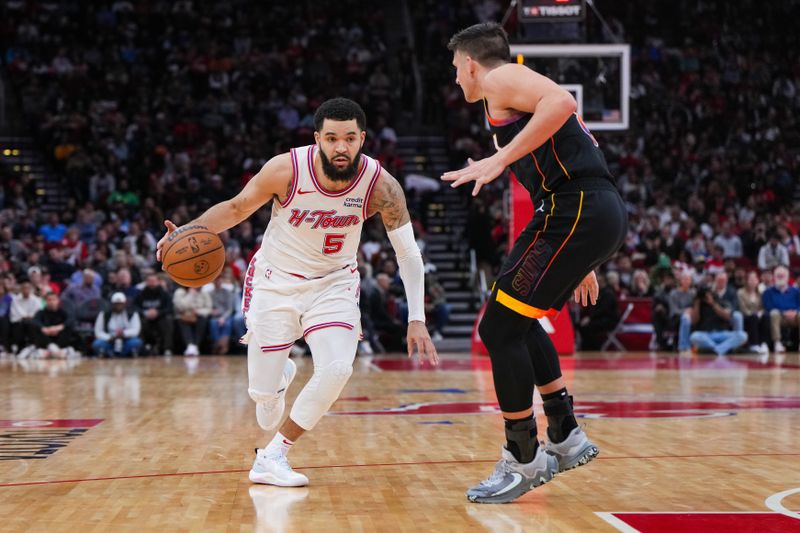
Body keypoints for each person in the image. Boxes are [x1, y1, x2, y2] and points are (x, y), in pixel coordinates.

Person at [156, 98, 437, 488]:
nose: (342, 147)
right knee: (263, 403)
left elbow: (408, 253)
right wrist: (186, 232)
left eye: (350, 138)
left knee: (337, 368)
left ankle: (273, 455)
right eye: (333, 138)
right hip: (275, 281)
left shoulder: (380, 185)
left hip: (334, 282)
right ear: (318, 138)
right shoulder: (285, 169)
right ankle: (276, 384)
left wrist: (416, 318)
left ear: (362, 139)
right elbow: (237, 208)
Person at [442, 23, 627, 503]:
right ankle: (565, 433)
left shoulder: (499, 79)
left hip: (576, 208)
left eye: (456, 69)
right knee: (516, 323)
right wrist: (581, 259)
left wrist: (497, 161)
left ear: (470, 64)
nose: (456, 79)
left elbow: (563, 102)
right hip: (583, 213)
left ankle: (523, 457)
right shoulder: (500, 97)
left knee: (498, 329)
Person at [685, 287, 747, 356]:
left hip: (722, 333)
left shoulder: (721, 302)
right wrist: (697, 304)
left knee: (742, 335)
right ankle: (722, 349)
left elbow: (727, 317)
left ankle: (715, 350)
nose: (706, 297)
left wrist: (713, 303)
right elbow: (694, 322)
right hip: (706, 335)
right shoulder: (698, 306)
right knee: (694, 336)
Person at [134, 272, 174, 355]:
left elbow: (169, 308)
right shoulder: (141, 294)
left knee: (168, 320)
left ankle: (167, 348)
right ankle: (143, 347)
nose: (152, 283)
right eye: (149, 281)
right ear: (146, 282)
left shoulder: (164, 294)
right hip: (145, 317)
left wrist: (158, 312)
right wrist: (145, 312)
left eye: (153, 281)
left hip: (160, 317)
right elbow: (135, 307)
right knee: (139, 321)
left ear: (158, 282)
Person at [762, 265, 800, 353]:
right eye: (778, 276)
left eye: (782, 276)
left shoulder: (796, 291)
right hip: (779, 317)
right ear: (774, 277)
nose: (780, 278)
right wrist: (784, 312)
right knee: (774, 313)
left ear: (787, 277)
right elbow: (768, 306)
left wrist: (796, 311)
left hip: (795, 317)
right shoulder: (768, 292)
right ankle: (777, 343)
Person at [93, 292, 142, 357]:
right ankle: (108, 354)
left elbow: (136, 330)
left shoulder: (132, 313)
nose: (118, 306)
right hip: (109, 341)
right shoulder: (104, 314)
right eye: (116, 304)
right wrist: (109, 337)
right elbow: (98, 331)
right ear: (112, 304)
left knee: (136, 342)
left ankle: (127, 354)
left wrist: (124, 334)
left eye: (120, 304)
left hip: (126, 340)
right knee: (97, 343)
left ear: (125, 304)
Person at [32, 292, 80, 358]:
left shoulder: (63, 312)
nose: (51, 302)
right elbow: (35, 321)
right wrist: (43, 328)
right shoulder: (41, 312)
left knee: (69, 327)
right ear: (45, 301)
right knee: (35, 328)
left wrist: (60, 327)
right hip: (46, 339)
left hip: (59, 338)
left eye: (54, 299)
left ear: (58, 301)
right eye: (49, 300)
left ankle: (53, 351)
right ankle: (56, 351)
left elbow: (71, 319)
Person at [173, 285, 212, 356]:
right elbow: (180, 307)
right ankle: (190, 345)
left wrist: (199, 312)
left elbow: (209, 308)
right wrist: (190, 295)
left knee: (203, 320)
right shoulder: (179, 292)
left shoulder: (204, 293)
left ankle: (195, 346)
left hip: (199, 316)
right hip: (184, 316)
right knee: (181, 321)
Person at [737, 271, 769, 354]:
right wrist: (753, 314)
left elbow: (762, 307)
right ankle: (754, 344)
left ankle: (763, 343)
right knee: (753, 317)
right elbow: (742, 308)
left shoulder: (760, 293)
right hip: (746, 316)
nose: (753, 281)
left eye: (755, 279)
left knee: (766, 316)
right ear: (747, 281)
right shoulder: (741, 292)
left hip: (758, 315)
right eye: (751, 279)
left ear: (758, 281)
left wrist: (760, 313)